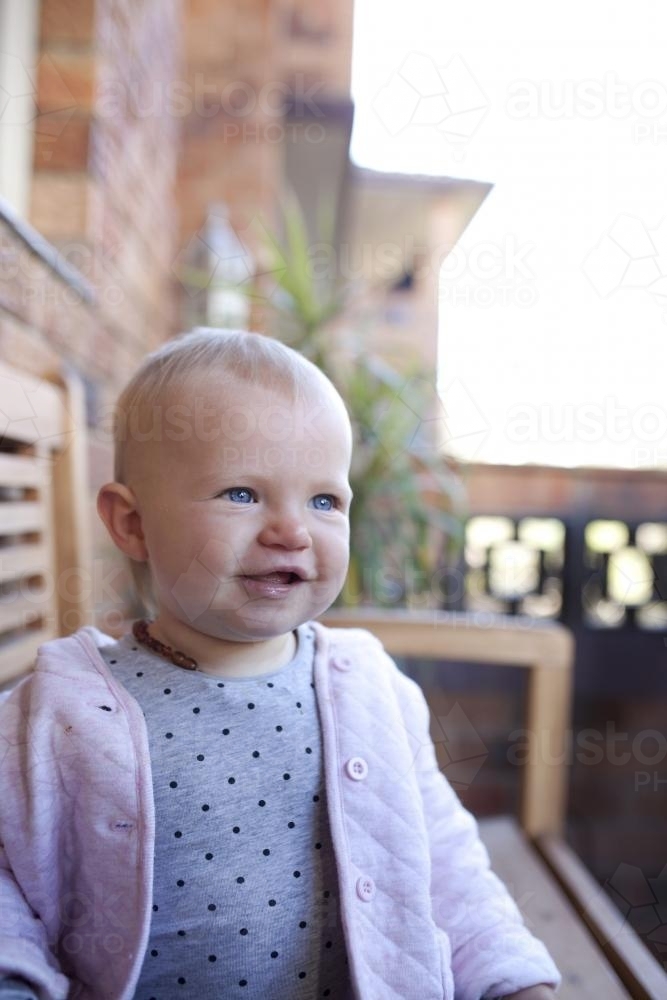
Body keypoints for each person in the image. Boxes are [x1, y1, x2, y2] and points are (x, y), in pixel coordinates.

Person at [0, 329, 560, 1000]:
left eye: (324, 500)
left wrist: (512, 979)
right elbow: (10, 896)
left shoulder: (366, 689)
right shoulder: (60, 711)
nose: (291, 530)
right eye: (241, 493)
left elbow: (442, 863)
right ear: (132, 524)